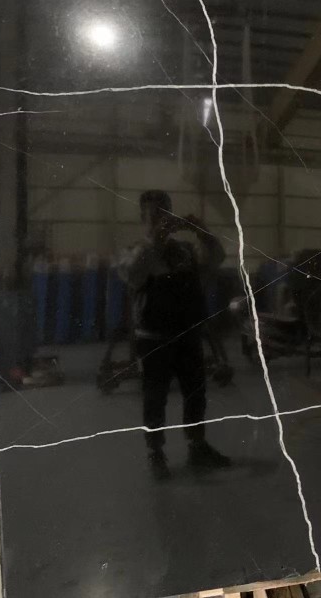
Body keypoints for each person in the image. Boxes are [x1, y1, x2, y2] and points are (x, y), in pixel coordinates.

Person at [119, 190, 230, 480]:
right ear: (143, 218)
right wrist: (156, 239)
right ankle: (156, 453)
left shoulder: (184, 250)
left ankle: (197, 447)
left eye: (165, 214)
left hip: (188, 335)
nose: (161, 220)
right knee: (155, 398)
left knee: (196, 393)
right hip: (154, 338)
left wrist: (201, 231)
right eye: (154, 215)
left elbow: (217, 258)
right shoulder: (135, 250)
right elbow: (133, 274)